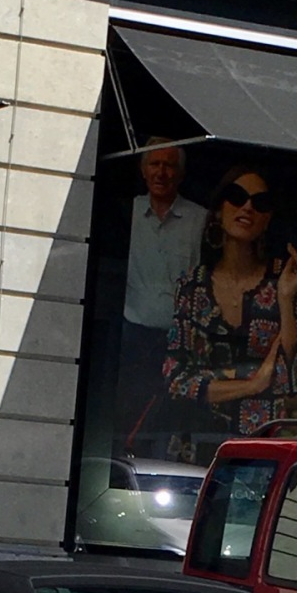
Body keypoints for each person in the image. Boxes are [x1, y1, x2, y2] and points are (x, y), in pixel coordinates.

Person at [163, 166, 297, 445]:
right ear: (219, 210)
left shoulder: (283, 281)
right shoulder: (192, 286)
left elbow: (294, 381)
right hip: (196, 440)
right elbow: (176, 379)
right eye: (237, 197)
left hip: (261, 445)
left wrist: (284, 298)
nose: (247, 207)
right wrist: (254, 383)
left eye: (260, 202)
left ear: (267, 218)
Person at [117, 139, 205, 452]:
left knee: (168, 411)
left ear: (180, 174)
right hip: (133, 331)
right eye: (154, 164)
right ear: (143, 171)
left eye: (169, 165)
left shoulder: (200, 220)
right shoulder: (126, 213)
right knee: (128, 407)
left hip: (178, 336)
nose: (161, 172)